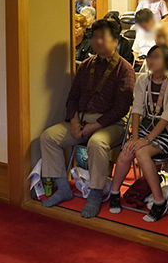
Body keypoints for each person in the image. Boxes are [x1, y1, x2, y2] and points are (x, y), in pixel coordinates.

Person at [39, 19, 135, 218]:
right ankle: (62, 187)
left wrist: (95, 126)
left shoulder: (124, 69)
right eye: (95, 37)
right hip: (82, 119)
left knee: (97, 143)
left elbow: (121, 108)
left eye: (103, 37)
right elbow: (73, 97)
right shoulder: (85, 65)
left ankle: (95, 194)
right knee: (49, 137)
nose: (98, 41)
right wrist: (74, 122)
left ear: (115, 41)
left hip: (111, 123)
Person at [110, 45, 168, 222]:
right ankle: (114, 193)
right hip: (145, 128)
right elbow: (136, 110)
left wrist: (146, 140)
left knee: (142, 153)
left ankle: (159, 201)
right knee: (127, 151)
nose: (151, 61)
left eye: (156, 57)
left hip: (167, 131)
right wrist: (135, 137)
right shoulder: (143, 80)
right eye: (150, 57)